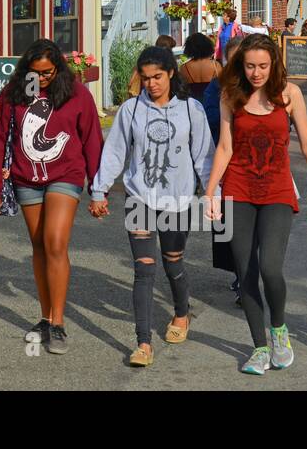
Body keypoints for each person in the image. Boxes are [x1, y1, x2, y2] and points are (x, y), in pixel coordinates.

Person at [204, 34, 307, 375]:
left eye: (263, 65)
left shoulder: (289, 94)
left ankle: (279, 330)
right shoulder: (230, 95)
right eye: (250, 66)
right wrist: (210, 193)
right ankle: (259, 348)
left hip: (278, 190)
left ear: (274, 64)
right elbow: (224, 147)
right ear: (240, 65)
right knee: (245, 272)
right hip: (238, 189)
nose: (256, 72)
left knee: (270, 269)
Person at [90, 46, 214, 367]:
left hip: (178, 200)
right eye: (145, 78)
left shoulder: (191, 110)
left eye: (157, 77)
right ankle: (143, 343)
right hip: (139, 198)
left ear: (171, 73)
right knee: (143, 270)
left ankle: (181, 313)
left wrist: (215, 194)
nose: (151, 84)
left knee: (173, 264)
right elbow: (115, 152)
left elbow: (204, 156)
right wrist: (99, 190)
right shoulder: (131, 110)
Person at [0, 38, 103, 354]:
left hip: (66, 174)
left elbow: (92, 137)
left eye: (48, 72)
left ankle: (59, 324)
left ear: (59, 67)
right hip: (27, 178)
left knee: (54, 241)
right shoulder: (18, 92)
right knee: (38, 244)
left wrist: (99, 186)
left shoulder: (76, 92)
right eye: (35, 72)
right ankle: (45, 315)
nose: (41, 79)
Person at [202, 35, 245, 299]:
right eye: (234, 60)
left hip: (258, 166)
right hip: (226, 163)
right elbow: (209, 118)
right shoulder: (216, 86)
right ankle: (241, 274)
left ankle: (247, 277)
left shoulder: (266, 85)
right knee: (230, 225)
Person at [178, 32, 220, 99]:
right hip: (211, 102)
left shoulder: (184, 67)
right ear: (207, 46)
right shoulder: (215, 65)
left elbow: (182, 88)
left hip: (193, 103)